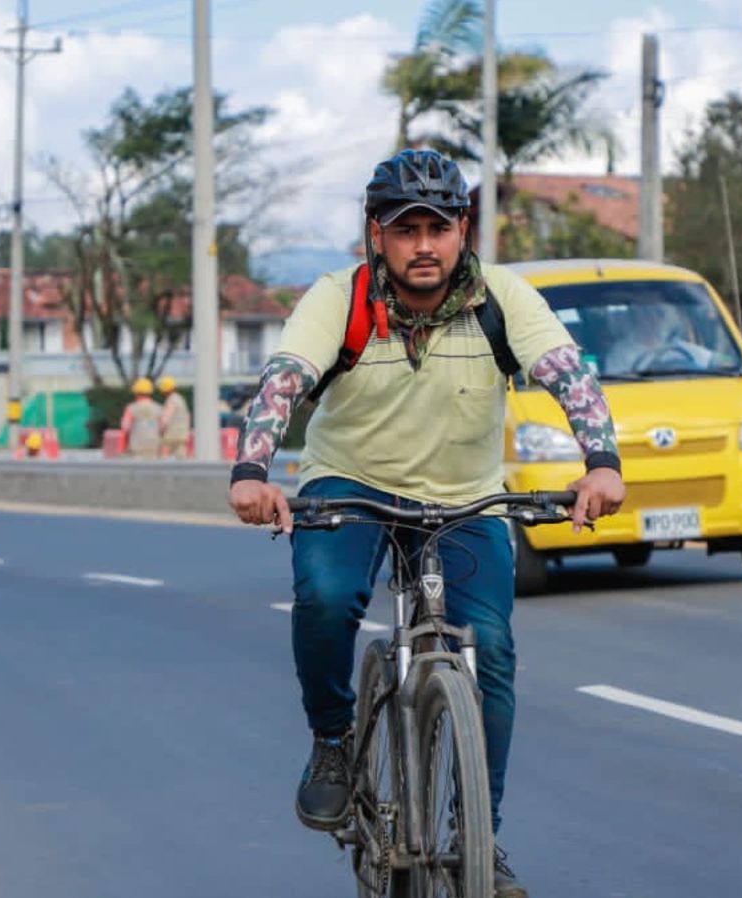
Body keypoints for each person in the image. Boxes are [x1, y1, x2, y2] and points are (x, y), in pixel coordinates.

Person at [226, 149, 626, 898]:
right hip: (352, 483)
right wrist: (252, 472)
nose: (423, 246)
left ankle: (482, 839)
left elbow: (568, 374)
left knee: (495, 651)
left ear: (462, 230)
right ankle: (334, 742)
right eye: (404, 229)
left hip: (465, 495)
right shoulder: (336, 298)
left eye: (437, 228)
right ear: (375, 234)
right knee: (324, 595)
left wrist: (601, 460)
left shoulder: (504, 297)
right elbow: (284, 382)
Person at [120, 377, 163, 459]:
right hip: (154, 446)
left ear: (136, 392)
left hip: (137, 447)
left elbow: (125, 427)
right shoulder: (158, 408)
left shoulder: (131, 408)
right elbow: (162, 427)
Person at [157, 376, 192, 459]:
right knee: (181, 459)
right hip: (182, 435)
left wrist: (160, 430)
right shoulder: (180, 399)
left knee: (164, 457)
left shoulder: (171, 400)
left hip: (171, 436)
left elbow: (166, 418)